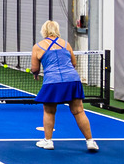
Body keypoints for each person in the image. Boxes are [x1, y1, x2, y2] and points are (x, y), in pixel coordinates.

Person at [30, 20, 99, 153]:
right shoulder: (66, 44)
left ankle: (48, 141)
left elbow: (34, 68)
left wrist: (36, 74)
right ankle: (90, 141)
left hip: (52, 81)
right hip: (72, 80)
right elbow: (73, 63)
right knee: (79, 111)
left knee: (49, 111)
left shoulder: (38, 46)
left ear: (43, 31)